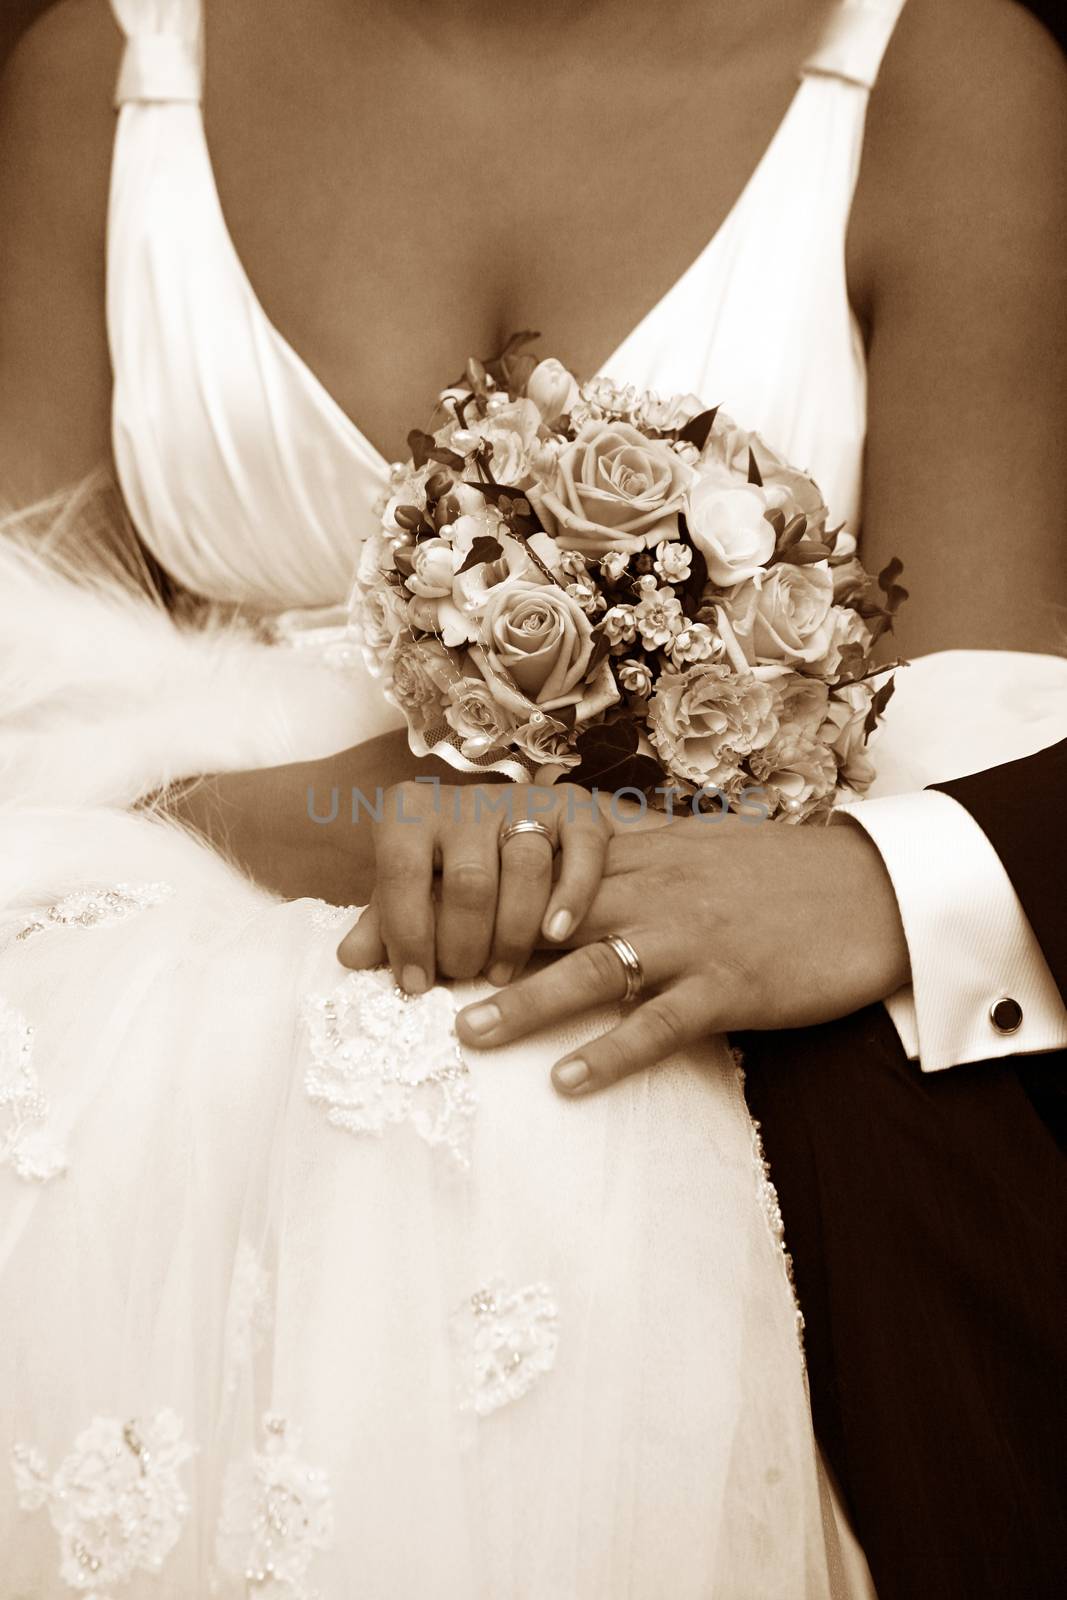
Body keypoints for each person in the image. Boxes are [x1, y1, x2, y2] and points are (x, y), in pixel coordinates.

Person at [0, 2, 1063, 1597]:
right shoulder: (114, 65)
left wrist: (671, 829)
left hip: (720, 1017)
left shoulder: (937, 70)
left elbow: (980, 741)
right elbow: (27, 675)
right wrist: (352, 810)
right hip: (139, 998)